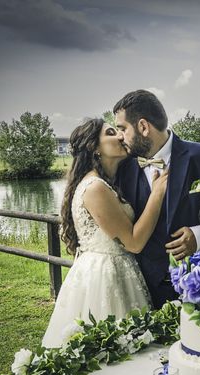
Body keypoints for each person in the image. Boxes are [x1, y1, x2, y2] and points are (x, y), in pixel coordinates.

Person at [42, 118, 169, 348]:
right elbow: (133, 243)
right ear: (95, 147)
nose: (121, 136)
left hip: (117, 269)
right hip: (105, 277)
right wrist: (157, 194)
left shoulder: (104, 182)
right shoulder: (96, 188)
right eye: (111, 132)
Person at [114, 89, 200, 308]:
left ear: (143, 127)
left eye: (123, 129)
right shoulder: (123, 168)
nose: (120, 136)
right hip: (147, 290)